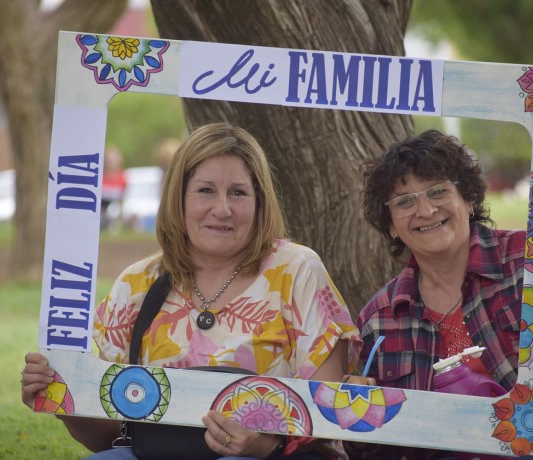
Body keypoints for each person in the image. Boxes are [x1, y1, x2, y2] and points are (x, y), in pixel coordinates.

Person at [21, 122, 362, 459]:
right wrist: (65, 399)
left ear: (260, 202)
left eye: (238, 193)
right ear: (178, 198)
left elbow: (327, 412)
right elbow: (112, 437)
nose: (222, 209)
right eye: (205, 190)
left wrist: (265, 446)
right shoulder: (137, 283)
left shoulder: (297, 271)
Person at [347, 129, 533, 459]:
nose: (426, 210)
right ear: (390, 224)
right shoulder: (380, 319)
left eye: (438, 191)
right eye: (405, 201)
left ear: (468, 199)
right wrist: (355, 416)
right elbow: (370, 446)